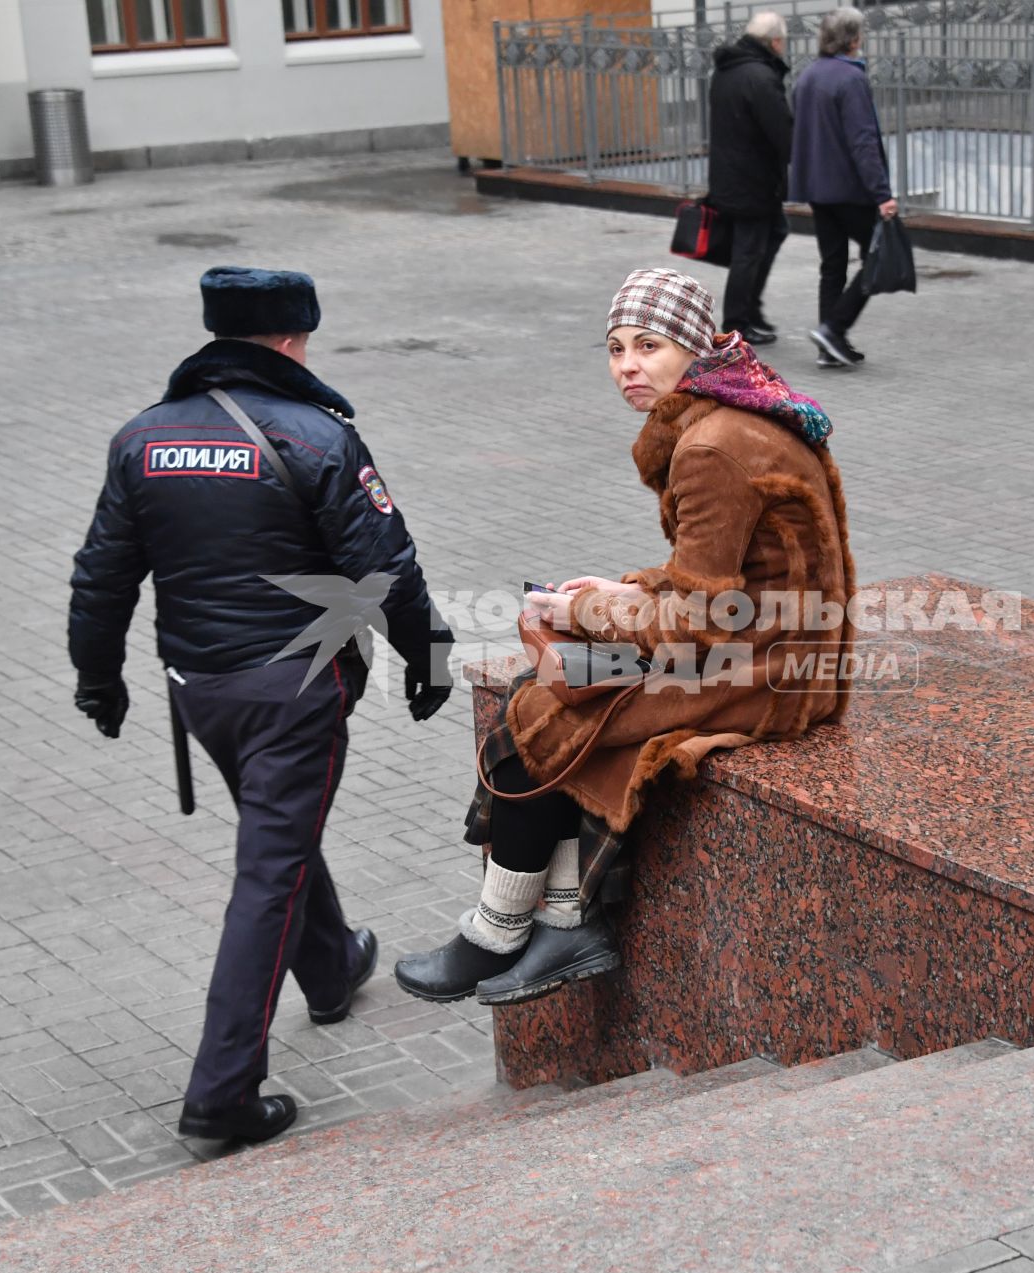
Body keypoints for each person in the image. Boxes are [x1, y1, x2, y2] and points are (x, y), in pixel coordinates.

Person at [392, 267, 854, 1007]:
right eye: (614, 348)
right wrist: (625, 591)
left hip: (766, 676)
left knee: (543, 714)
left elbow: (701, 621)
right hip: (783, 649)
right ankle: (562, 919)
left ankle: (501, 929)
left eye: (649, 344)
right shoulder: (740, 407)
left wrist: (583, 615)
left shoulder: (710, 447)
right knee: (552, 694)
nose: (627, 365)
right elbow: (728, 576)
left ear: (694, 347)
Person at [68, 266, 454, 1145]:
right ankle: (222, 1094)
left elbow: (102, 575)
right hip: (296, 693)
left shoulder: (143, 438)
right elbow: (383, 561)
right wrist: (427, 659)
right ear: (290, 338)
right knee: (268, 871)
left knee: (276, 833)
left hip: (199, 690)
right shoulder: (318, 436)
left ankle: (331, 968)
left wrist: (98, 675)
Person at [789, 7, 898, 369]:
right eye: (860, 35)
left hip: (817, 188)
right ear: (853, 40)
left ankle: (828, 345)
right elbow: (863, 142)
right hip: (849, 189)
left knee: (832, 264)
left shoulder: (808, 76)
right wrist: (882, 193)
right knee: (876, 256)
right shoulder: (850, 80)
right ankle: (834, 328)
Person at [708, 11, 795, 345]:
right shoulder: (760, 77)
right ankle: (737, 324)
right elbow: (782, 132)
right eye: (782, 42)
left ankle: (750, 312)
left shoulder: (727, 71)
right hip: (752, 181)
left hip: (733, 176)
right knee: (748, 251)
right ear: (774, 42)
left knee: (773, 233)